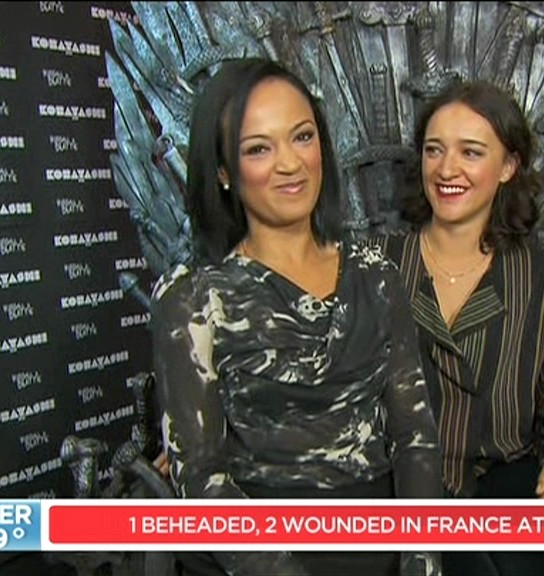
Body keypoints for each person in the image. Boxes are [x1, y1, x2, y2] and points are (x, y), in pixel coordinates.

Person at [150, 58, 442, 576]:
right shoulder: (192, 296)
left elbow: (415, 435)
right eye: (258, 148)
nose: (290, 163)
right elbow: (200, 475)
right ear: (223, 171)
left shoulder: (376, 273)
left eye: (302, 137)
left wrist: (422, 561)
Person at [369, 80, 544, 576]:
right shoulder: (375, 267)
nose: (446, 169)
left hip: (502, 484)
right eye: (434, 150)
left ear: (507, 166)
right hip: (391, 486)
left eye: (470, 152)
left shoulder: (542, 278)